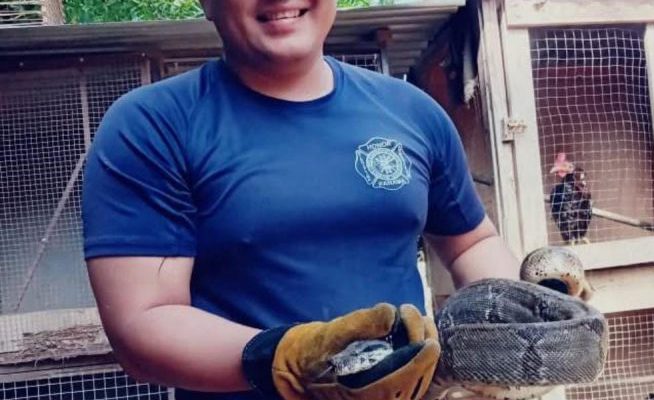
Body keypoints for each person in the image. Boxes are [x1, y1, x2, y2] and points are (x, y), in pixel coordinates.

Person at [81, 1, 520, 399]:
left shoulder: (411, 111)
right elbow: (143, 324)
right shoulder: (153, 125)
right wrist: (297, 359)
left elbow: (471, 242)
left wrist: (515, 319)